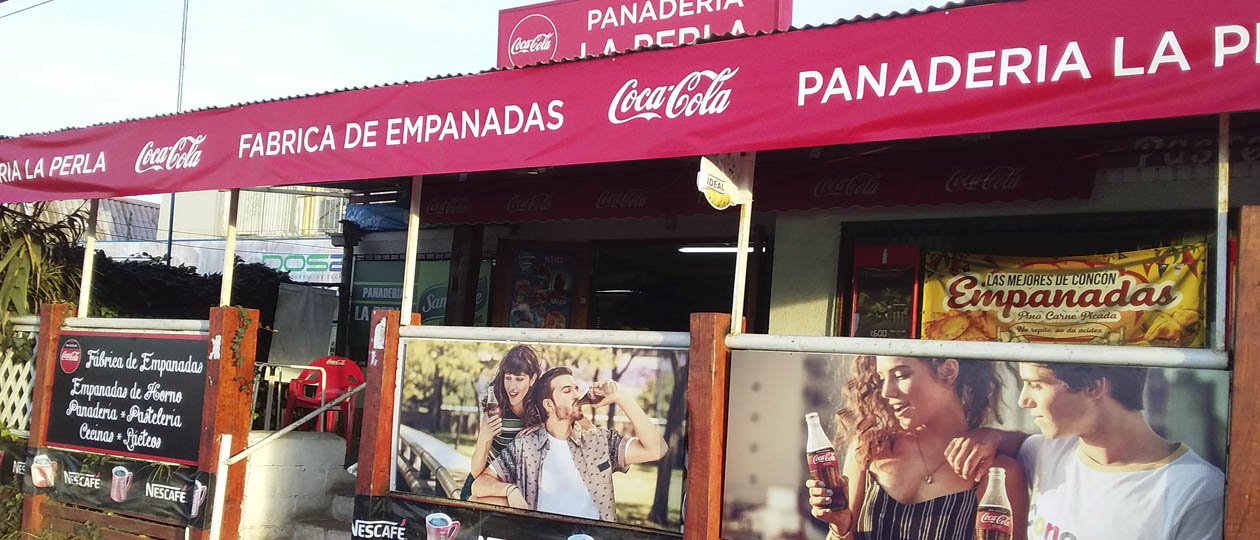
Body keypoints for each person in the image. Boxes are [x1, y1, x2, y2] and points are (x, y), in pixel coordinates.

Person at [946, 363, 1224, 540]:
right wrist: (990, 436)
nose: (1023, 400)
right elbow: (1017, 442)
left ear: (1093, 386)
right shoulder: (1047, 452)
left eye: (1036, 385)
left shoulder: (1196, 490)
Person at [806, 356, 1028, 540]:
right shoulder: (870, 449)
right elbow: (840, 534)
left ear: (948, 372)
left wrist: (996, 436)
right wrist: (840, 526)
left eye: (901, 375)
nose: (886, 391)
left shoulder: (996, 473)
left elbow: (1038, 444)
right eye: (881, 379)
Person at [471, 367, 668, 521]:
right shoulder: (525, 446)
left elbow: (656, 450)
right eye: (567, 390)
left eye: (576, 389)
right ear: (549, 405)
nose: (576, 394)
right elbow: (479, 485)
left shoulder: (599, 441)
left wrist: (621, 397)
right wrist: (509, 490)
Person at [461, 344, 541, 503]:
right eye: (508, 378)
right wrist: (484, 436)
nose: (512, 386)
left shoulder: (540, 408)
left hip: (521, 486)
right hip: (486, 483)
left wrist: (541, 427)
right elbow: (476, 472)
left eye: (519, 379)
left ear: (532, 379)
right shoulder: (495, 407)